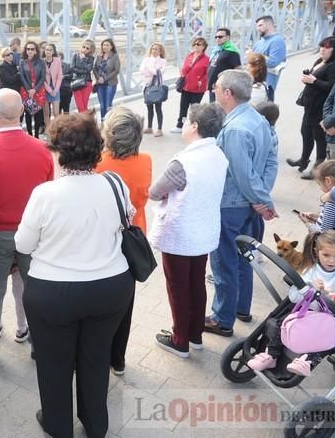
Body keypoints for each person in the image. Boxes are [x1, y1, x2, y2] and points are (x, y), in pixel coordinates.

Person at [16, 113, 134, 438]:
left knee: (54, 363)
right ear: (97, 149)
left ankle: (58, 423)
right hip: (111, 288)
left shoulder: (45, 194)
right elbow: (127, 220)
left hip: (53, 294)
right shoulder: (115, 183)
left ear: (58, 151)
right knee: (95, 358)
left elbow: (23, 244)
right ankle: (96, 424)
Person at [0, 89, 55, 363]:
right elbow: (48, 193)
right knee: (34, 289)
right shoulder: (42, 151)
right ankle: (39, 344)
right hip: (33, 233)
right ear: (22, 112)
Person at [148, 104, 228, 358]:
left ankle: (179, 340)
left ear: (194, 127)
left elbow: (154, 192)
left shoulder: (183, 162)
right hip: (204, 230)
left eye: (186, 122)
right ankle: (195, 335)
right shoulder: (218, 154)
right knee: (197, 283)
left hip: (181, 233)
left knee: (178, 287)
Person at [206, 69, 278, 337]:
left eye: (216, 87)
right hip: (249, 206)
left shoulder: (235, 128)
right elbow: (271, 160)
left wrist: (260, 199)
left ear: (228, 93)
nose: (213, 90)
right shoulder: (257, 119)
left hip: (232, 205)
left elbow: (242, 173)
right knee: (244, 259)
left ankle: (222, 319)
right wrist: (263, 197)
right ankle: (241, 308)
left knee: (224, 263)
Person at [247, 231, 335, 376]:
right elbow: (293, 296)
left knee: (322, 335)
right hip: (303, 312)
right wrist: (309, 288)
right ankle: (271, 355)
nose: (331, 261)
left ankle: (307, 361)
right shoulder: (309, 270)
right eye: (326, 255)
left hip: (328, 318)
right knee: (280, 322)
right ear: (317, 253)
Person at [95, 106, 151, 374]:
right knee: (125, 304)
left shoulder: (98, 164)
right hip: (133, 239)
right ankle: (118, 359)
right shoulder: (146, 160)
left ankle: (97, 353)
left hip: (102, 240)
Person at [286, 36, 335, 179]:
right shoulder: (319, 61)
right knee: (305, 132)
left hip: (321, 108)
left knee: (319, 137)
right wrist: (308, 78)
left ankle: (317, 168)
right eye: (321, 46)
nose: (322, 50)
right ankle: (304, 160)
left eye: (326, 47)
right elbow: (315, 80)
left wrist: (314, 80)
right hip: (310, 106)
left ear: (334, 49)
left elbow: (333, 87)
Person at [298, 159, 335, 234]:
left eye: (319, 183)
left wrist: (307, 224)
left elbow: (323, 234)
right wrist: (318, 218)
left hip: (329, 243)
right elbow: (334, 221)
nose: (319, 187)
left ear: (328, 181)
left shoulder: (331, 203)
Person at [172, 37, 209, 132]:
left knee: (194, 109)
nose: (196, 46)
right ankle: (180, 125)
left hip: (197, 88)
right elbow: (184, 69)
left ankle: (193, 126)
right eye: (194, 44)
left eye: (199, 44)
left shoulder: (206, 59)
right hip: (186, 86)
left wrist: (200, 81)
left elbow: (207, 73)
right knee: (183, 107)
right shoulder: (190, 56)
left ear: (203, 47)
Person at [250, 15, 287, 101]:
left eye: (260, 25)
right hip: (254, 84)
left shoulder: (277, 41)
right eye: (257, 26)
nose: (258, 29)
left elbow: (273, 62)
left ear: (269, 25)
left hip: (267, 86)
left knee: (264, 111)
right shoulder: (258, 43)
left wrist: (254, 55)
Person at [19, 40, 47, 138]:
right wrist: (28, 89)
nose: (30, 51)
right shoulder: (22, 62)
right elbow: (22, 77)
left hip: (38, 90)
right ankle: (29, 134)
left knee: (38, 113)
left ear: (36, 51)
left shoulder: (41, 62)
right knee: (28, 113)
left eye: (32, 49)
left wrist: (35, 89)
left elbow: (43, 77)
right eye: (28, 49)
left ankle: (36, 135)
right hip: (26, 91)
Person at [207, 28, 242, 104]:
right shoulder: (216, 50)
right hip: (213, 87)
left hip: (223, 88)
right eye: (216, 37)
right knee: (213, 111)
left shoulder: (232, 52)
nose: (217, 39)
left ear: (228, 37)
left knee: (220, 111)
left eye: (220, 37)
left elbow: (238, 70)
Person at [140, 43, 167, 136]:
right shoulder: (146, 60)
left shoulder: (163, 61)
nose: (154, 50)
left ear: (160, 51)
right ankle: (149, 127)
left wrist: (149, 69)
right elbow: (142, 71)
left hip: (157, 87)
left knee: (158, 108)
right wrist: (153, 71)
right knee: (149, 108)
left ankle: (159, 129)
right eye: (153, 49)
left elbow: (160, 72)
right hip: (147, 86)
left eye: (156, 49)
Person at [93, 38, 121, 120]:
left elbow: (116, 70)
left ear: (111, 47)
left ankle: (108, 123)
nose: (105, 47)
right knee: (102, 105)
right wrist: (98, 78)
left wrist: (104, 79)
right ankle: (102, 122)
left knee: (108, 104)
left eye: (107, 45)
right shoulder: (99, 56)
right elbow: (94, 68)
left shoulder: (115, 56)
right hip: (100, 84)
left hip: (110, 83)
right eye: (104, 45)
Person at [70, 39, 96, 113]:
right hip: (76, 82)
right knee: (80, 106)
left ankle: (85, 122)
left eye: (87, 48)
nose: (84, 49)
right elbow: (72, 68)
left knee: (84, 105)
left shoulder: (91, 58)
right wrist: (82, 72)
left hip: (87, 83)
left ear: (91, 50)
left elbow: (88, 69)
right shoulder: (75, 55)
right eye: (83, 47)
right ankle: (86, 121)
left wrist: (83, 59)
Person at [41, 43, 63, 128]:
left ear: (53, 51)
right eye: (46, 50)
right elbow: (41, 78)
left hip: (55, 87)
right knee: (46, 112)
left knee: (56, 112)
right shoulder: (41, 61)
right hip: (45, 88)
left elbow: (59, 76)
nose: (48, 51)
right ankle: (48, 131)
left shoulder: (57, 60)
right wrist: (49, 90)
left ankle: (56, 130)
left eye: (50, 50)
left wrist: (56, 90)